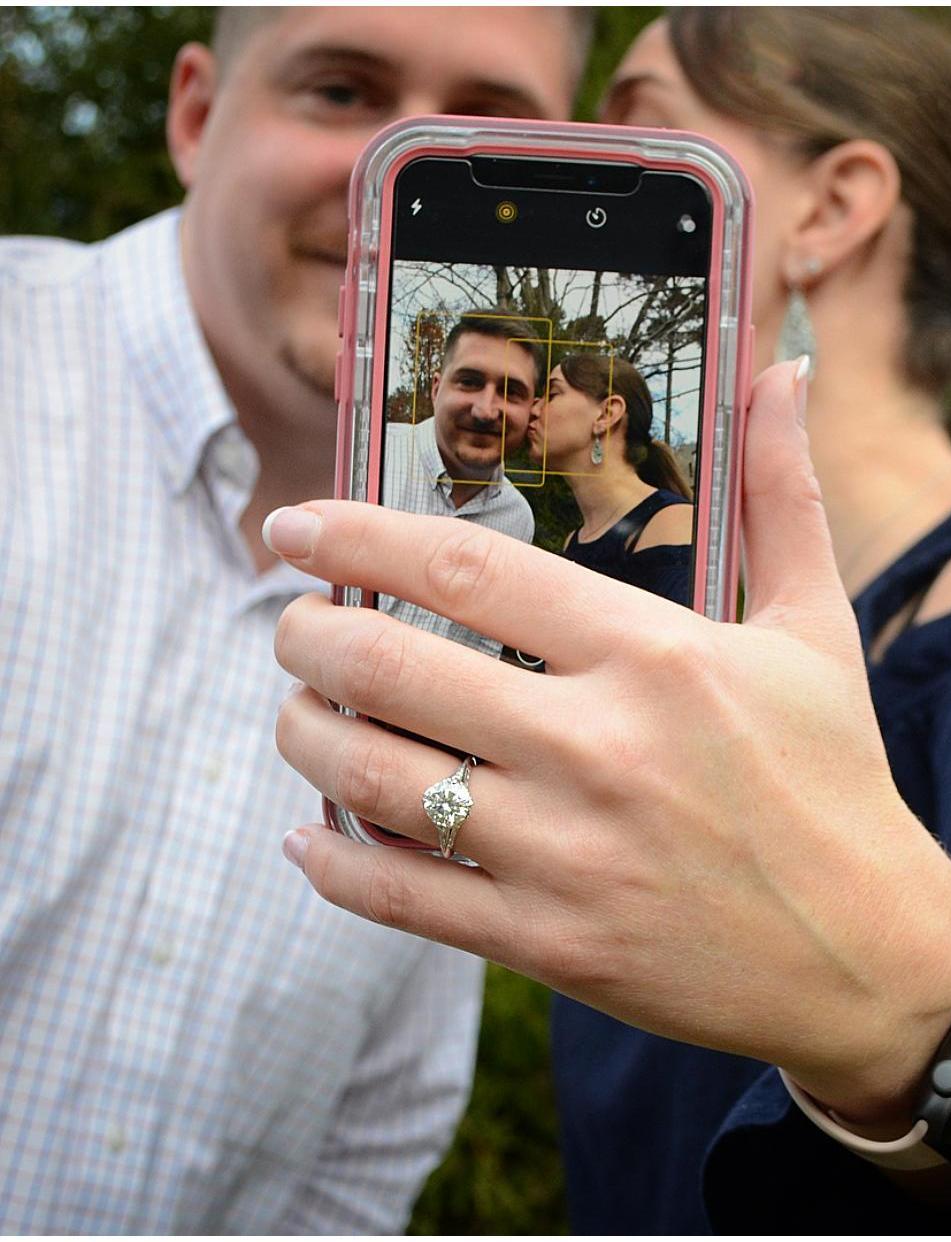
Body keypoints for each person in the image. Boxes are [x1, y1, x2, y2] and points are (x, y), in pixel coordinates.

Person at [266, 7, 951, 1234]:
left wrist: (909, 1007)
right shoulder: (694, 625)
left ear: (834, 210)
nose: (579, 139)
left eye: (641, 119)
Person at [0, 6, 589, 1233]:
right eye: (340, 91)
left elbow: (378, 1131)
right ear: (197, 116)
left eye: (483, 131)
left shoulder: (515, 585)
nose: (399, 189)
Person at [382, 311, 542, 654]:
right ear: (436, 388)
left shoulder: (517, 520)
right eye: (469, 382)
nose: (486, 410)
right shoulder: (372, 457)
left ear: (531, 410)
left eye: (511, 392)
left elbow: (484, 648)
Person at [529, 352, 693, 603]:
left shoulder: (671, 524)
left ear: (607, 414)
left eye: (553, 395)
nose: (534, 409)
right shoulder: (575, 541)